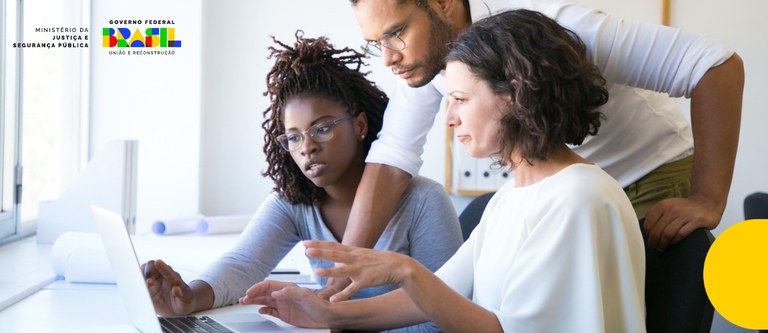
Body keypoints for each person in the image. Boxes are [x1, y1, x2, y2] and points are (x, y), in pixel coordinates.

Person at [240, 10, 646, 332]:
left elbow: (498, 329)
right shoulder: (511, 197)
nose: (448, 118)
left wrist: (404, 269)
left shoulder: (578, 198)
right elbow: (439, 294)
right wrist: (326, 313)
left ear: (516, 94)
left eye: (460, 99)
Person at [327, 0, 744, 298]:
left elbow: (714, 64)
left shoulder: (558, 25)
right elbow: (393, 156)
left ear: (442, 4)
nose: (387, 59)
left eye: (396, 32)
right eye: (375, 42)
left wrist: (708, 197)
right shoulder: (426, 61)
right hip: (565, 193)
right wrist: (340, 276)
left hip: (650, 175)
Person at [140, 32, 463, 328]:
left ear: (360, 125)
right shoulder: (294, 202)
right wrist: (190, 298)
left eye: (322, 128)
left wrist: (339, 323)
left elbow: (444, 312)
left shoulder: (423, 201)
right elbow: (244, 264)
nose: (307, 147)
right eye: (293, 138)